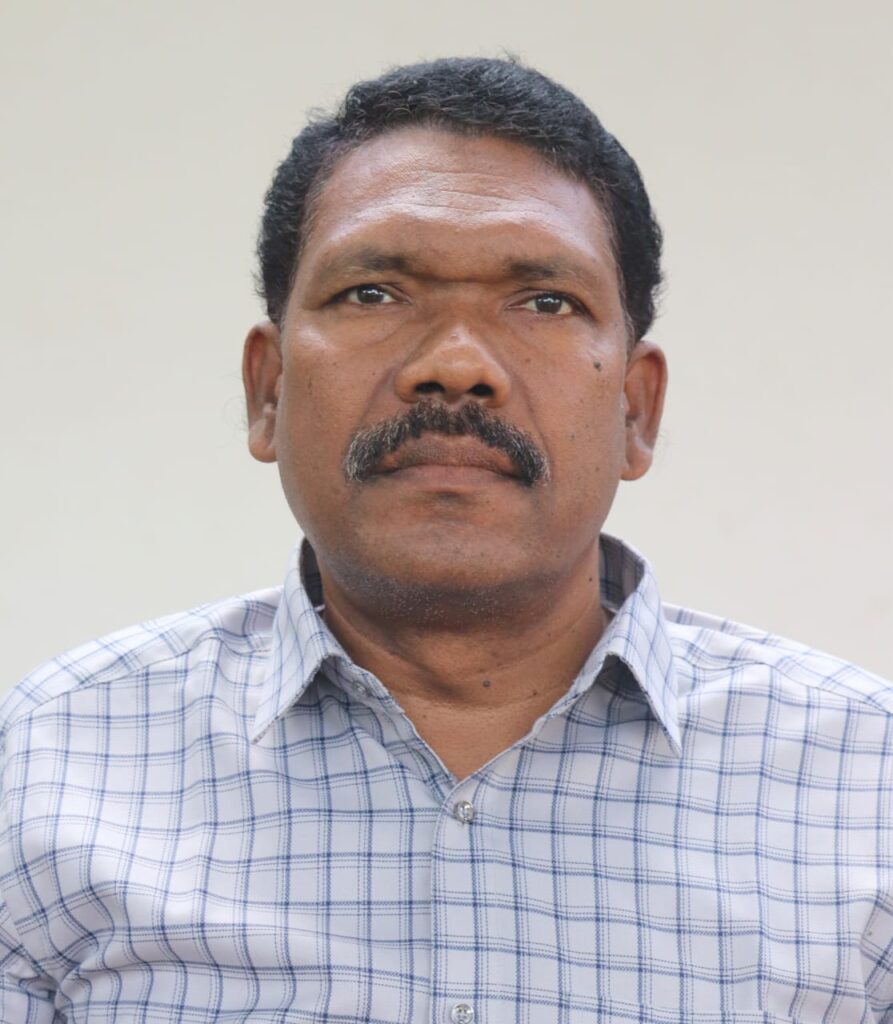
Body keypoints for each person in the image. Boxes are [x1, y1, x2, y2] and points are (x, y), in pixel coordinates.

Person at [1, 56, 890, 1024]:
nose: (457, 365)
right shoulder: (49, 766)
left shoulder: (864, 787)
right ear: (267, 391)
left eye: (544, 301)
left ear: (636, 410)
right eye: (373, 293)